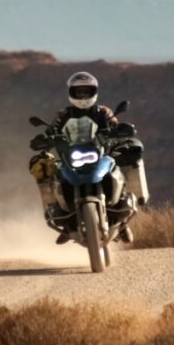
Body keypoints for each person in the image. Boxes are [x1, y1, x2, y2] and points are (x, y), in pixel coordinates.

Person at [30, 71, 134, 244]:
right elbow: (51, 130)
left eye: (87, 91)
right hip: (71, 155)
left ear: (94, 92)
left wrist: (120, 129)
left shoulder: (103, 112)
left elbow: (114, 124)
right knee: (51, 171)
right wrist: (44, 138)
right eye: (79, 92)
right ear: (72, 93)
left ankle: (122, 220)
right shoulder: (63, 115)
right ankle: (66, 221)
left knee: (117, 164)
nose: (83, 96)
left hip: (99, 152)